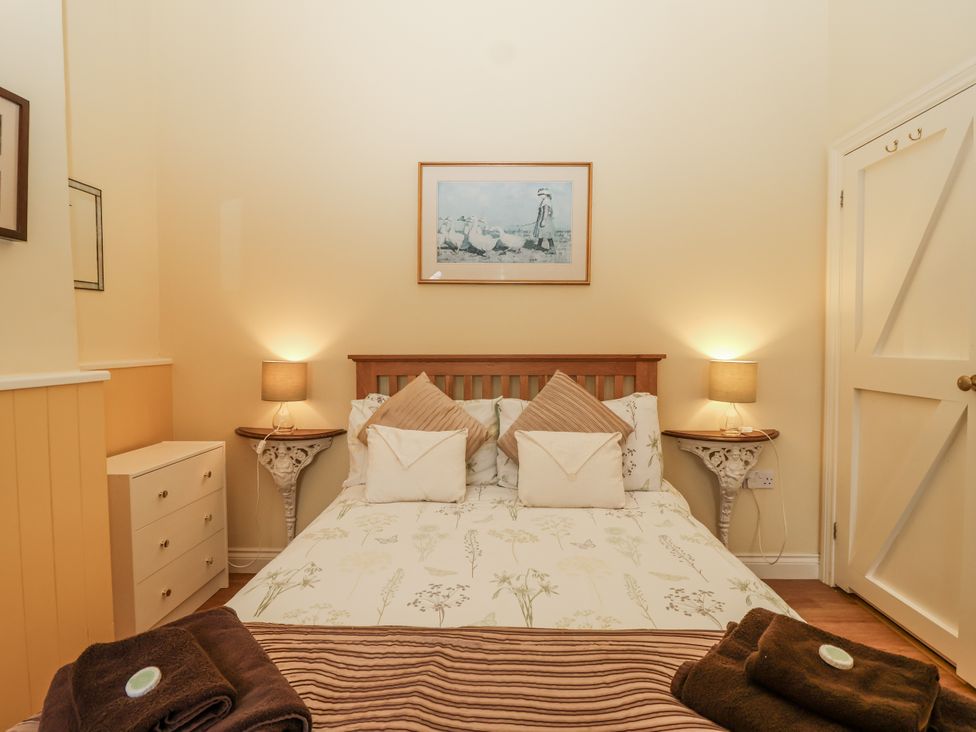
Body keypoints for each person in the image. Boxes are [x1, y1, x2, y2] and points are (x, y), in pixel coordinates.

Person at [533, 187, 555, 255]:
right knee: (541, 233)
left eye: (540, 194)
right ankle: (539, 246)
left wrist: (543, 220)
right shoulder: (545, 200)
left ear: (545, 194)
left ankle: (552, 249)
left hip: (545, 219)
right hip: (543, 219)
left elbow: (545, 211)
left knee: (548, 234)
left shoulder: (546, 201)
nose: (539, 196)